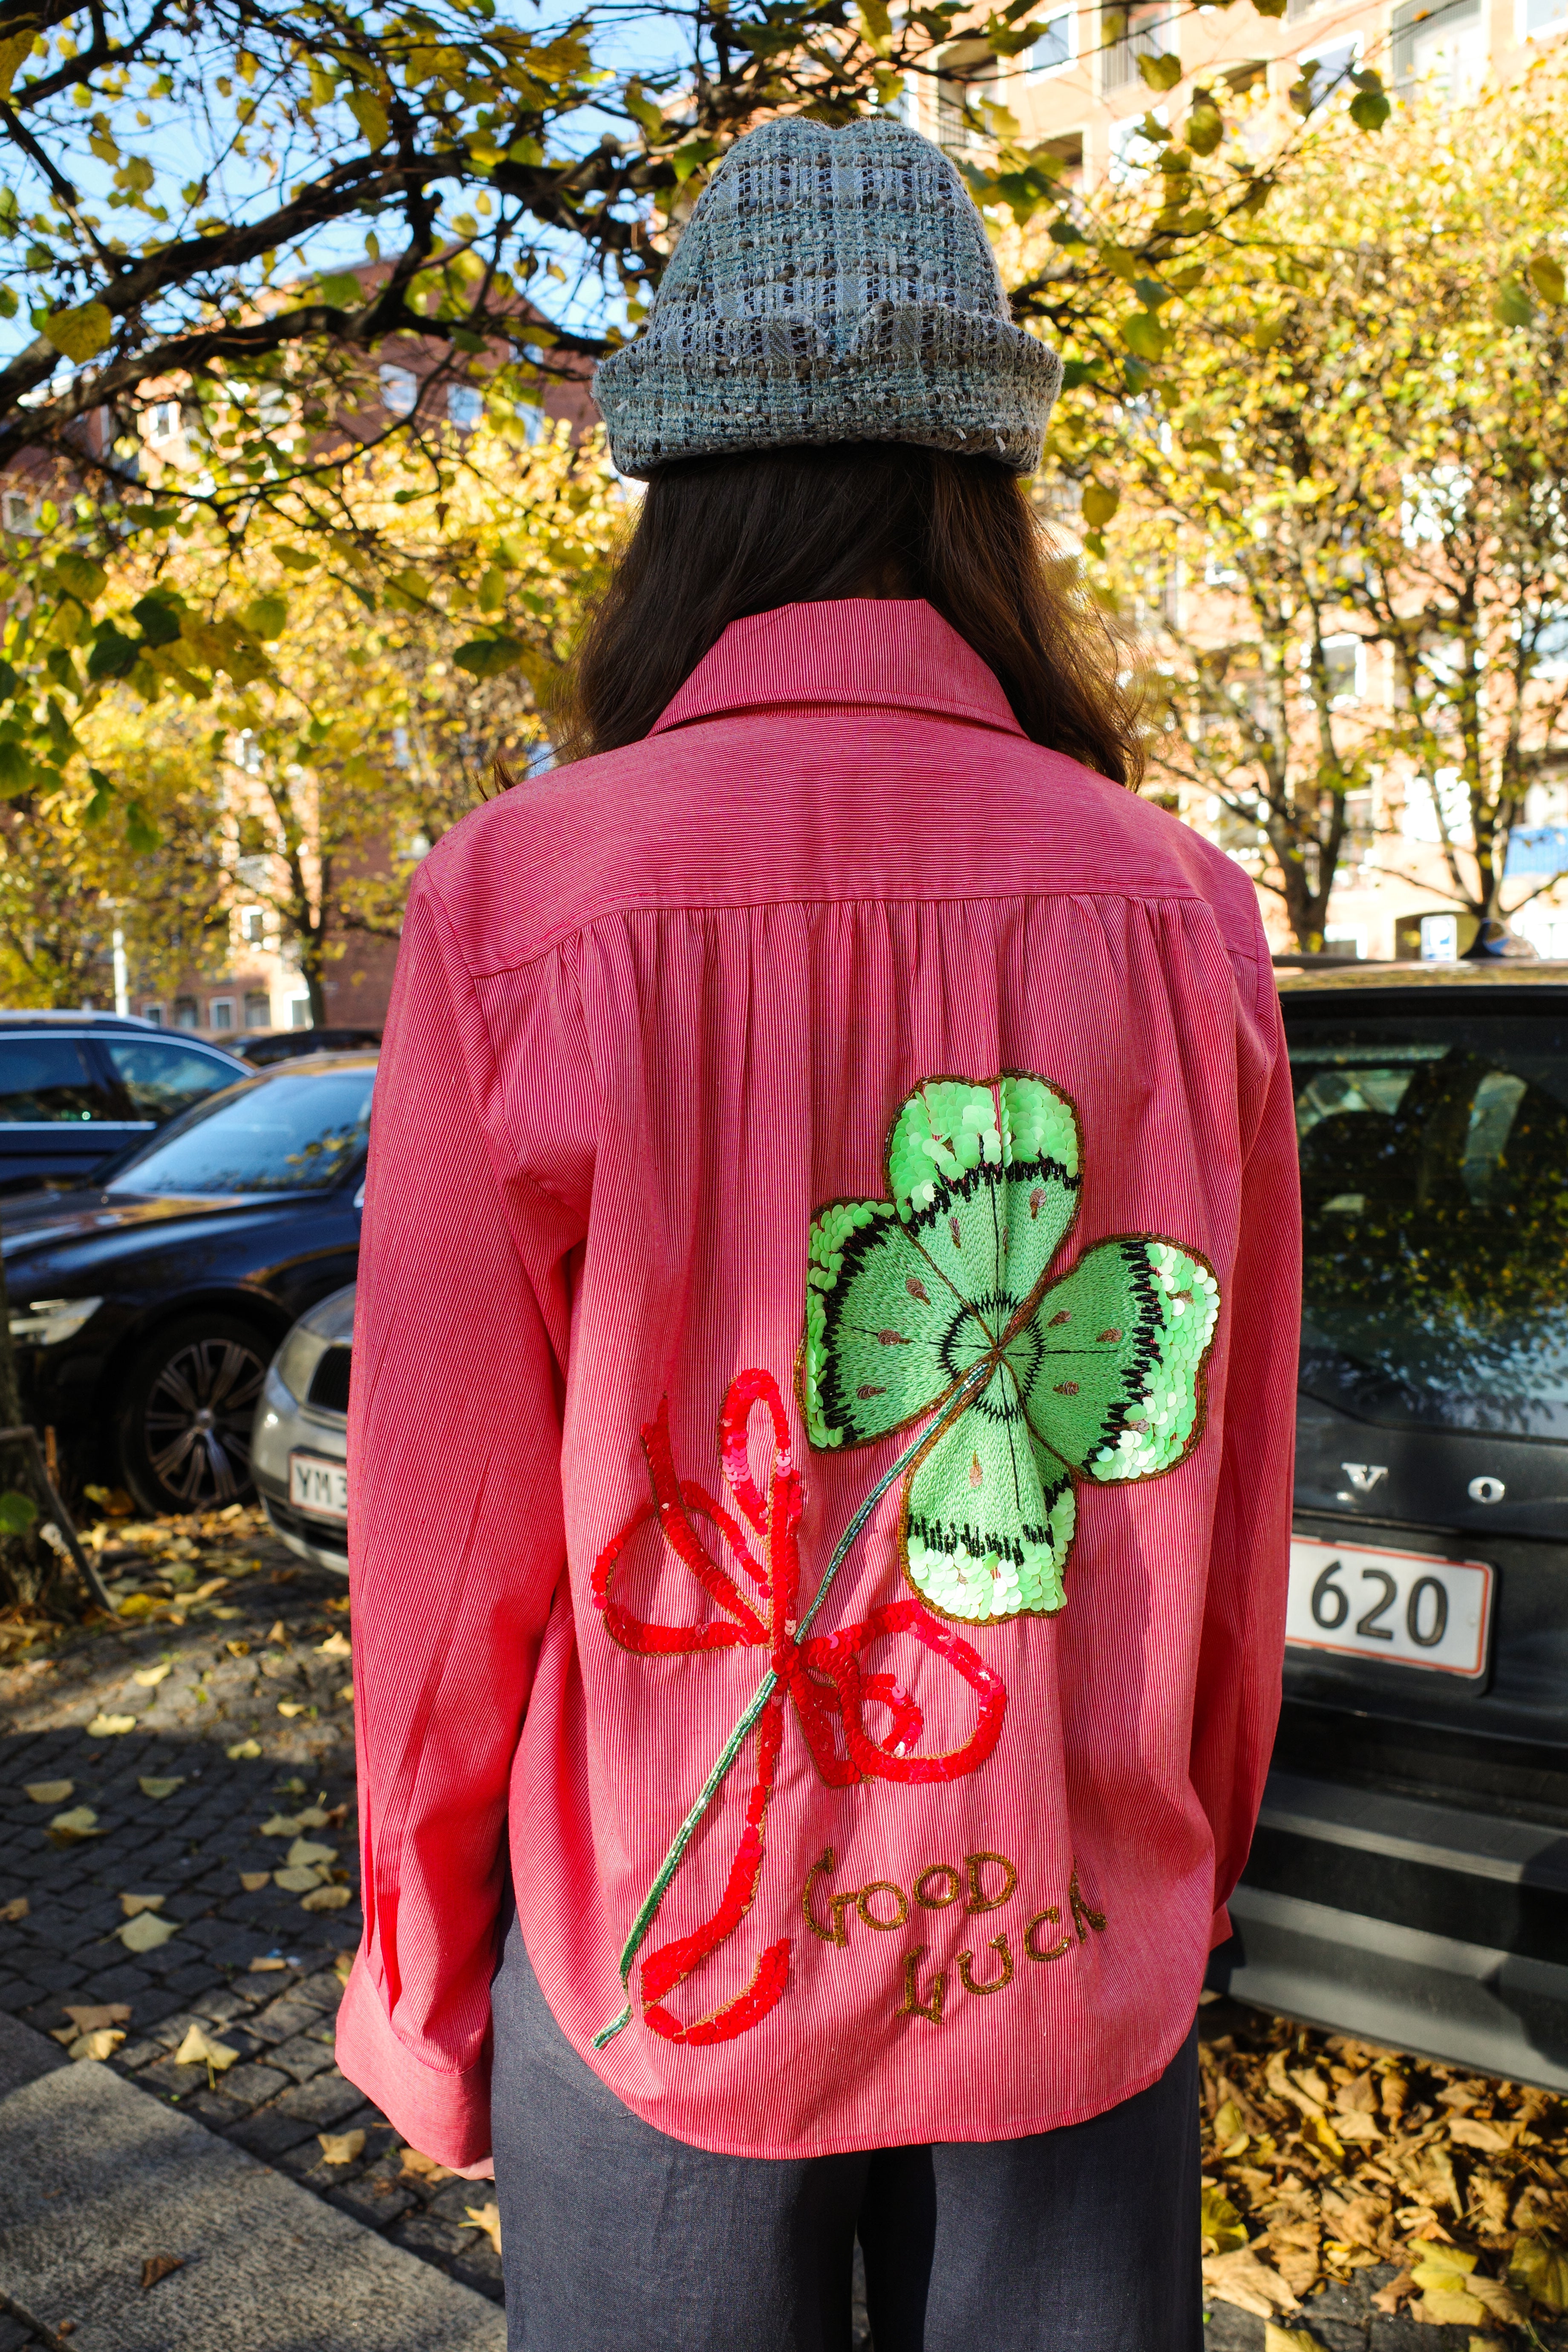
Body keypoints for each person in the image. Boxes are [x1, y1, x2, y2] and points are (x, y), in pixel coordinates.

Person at [337, 113, 1300, 2352]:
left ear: (674, 515)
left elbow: (446, 1529)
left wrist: (419, 1977)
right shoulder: (1176, 910)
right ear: (988, 500)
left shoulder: (520, 901)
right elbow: (1221, 1479)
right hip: (1066, 1940)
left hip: (659, 1956)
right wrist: (1183, 1848)